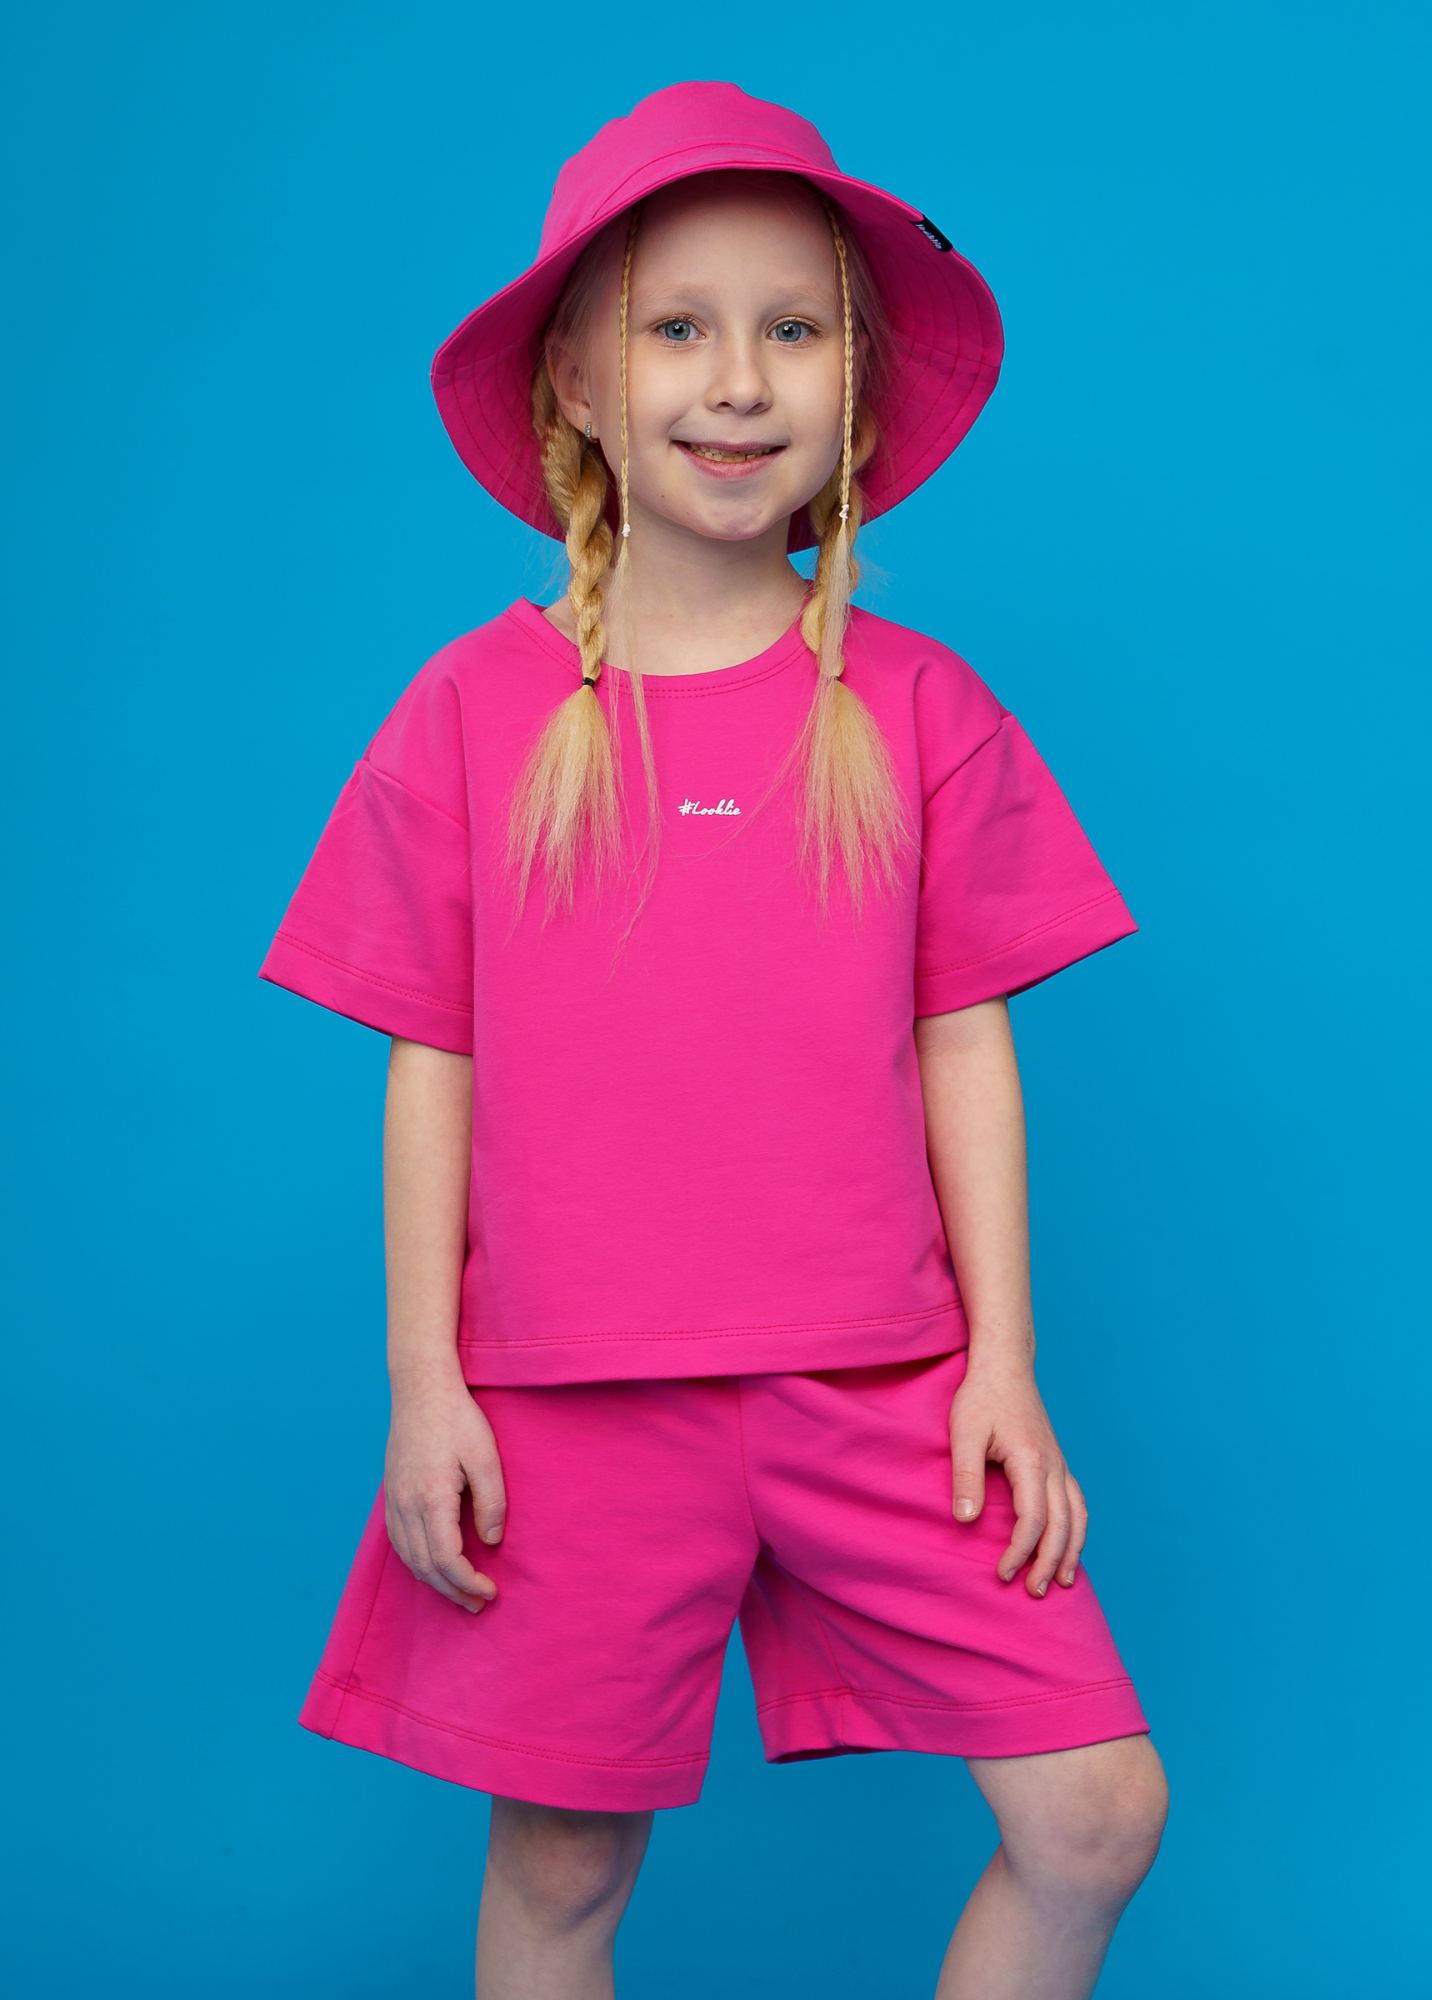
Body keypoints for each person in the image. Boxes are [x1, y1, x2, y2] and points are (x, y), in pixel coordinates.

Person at [258, 77, 1169, 2000]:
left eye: (794, 330)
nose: (739, 381)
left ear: (856, 386)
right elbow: (433, 1063)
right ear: (579, 387)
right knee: (563, 1869)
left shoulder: (922, 711)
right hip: (568, 1405)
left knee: (1093, 1816)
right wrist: (425, 1385)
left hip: (884, 1388)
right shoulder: (471, 713)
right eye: (677, 328)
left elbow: (965, 1044)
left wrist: (1003, 1366)